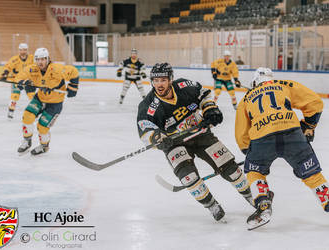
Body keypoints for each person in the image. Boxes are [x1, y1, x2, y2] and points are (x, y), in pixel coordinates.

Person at [137, 63, 253, 222]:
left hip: (200, 134)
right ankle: (211, 205)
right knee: (188, 177)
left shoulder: (184, 86)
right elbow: (145, 129)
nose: (159, 84)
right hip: (174, 144)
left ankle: (251, 196)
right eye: (155, 81)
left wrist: (210, 109)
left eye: (163, 80)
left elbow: (204, 96)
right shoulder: (148, 106)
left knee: (231, 169)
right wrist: (156, 138)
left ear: (171, 79)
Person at [235, 67, 328, 230]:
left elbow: (241, 133)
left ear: (255, 82)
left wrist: (248, 151)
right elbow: (315, 102)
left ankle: (263, 205)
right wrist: (308, 125)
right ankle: (327, 201)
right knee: (312, 174)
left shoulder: (246, 98)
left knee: (255, 172)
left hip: (261, 137)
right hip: (292, 133)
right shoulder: (284, 84)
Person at [15, 48, 79, 155]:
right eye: (38, 59)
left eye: (43, 59)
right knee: (27, 116)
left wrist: (73, 87)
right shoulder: (32, 69)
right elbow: (18, 78)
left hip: (55, 103)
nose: (40, 62)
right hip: (39, 99)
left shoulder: (57, 69)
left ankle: (44, 146)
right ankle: (27, 141)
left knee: (42, 127)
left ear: (48, 59)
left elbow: (74, 72)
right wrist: (26, 83)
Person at [0, 43, 35, 119]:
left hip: (28, 81)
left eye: (25, 50)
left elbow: (37, 67)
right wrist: (5, 73)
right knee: (14, 96)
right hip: (16, 81)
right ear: (19, 50)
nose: (23, 51)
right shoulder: (14, 59)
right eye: (21, 50)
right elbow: (8, 66)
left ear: (27, 50)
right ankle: (11, 111)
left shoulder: (32, 58)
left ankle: (34, 112)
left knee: (32, 97)